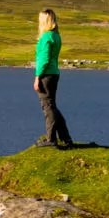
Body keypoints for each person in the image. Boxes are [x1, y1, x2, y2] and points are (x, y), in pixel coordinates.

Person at [32, 9, 74, 148]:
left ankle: (51, 139)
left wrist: (38, 77)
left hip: (46, 75)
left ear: (44, 21)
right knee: (52, 106)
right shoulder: (56, 36)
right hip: (54, 73)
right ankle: (65, 137)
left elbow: (44, 59)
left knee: (47, 107)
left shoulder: (46, 37)